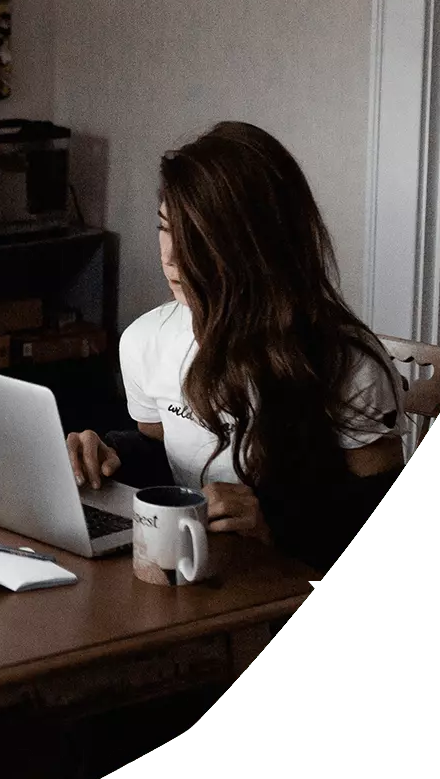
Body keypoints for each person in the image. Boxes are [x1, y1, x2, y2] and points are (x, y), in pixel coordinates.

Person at [66, 121, 405, 574]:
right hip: (198, 576)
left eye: (197, 236)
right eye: (165, 228)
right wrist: (108, 457)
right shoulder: (145, 341)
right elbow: (166, 456)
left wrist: (273, 528)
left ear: (257, 244)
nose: (171, 256)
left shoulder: (350, 364)